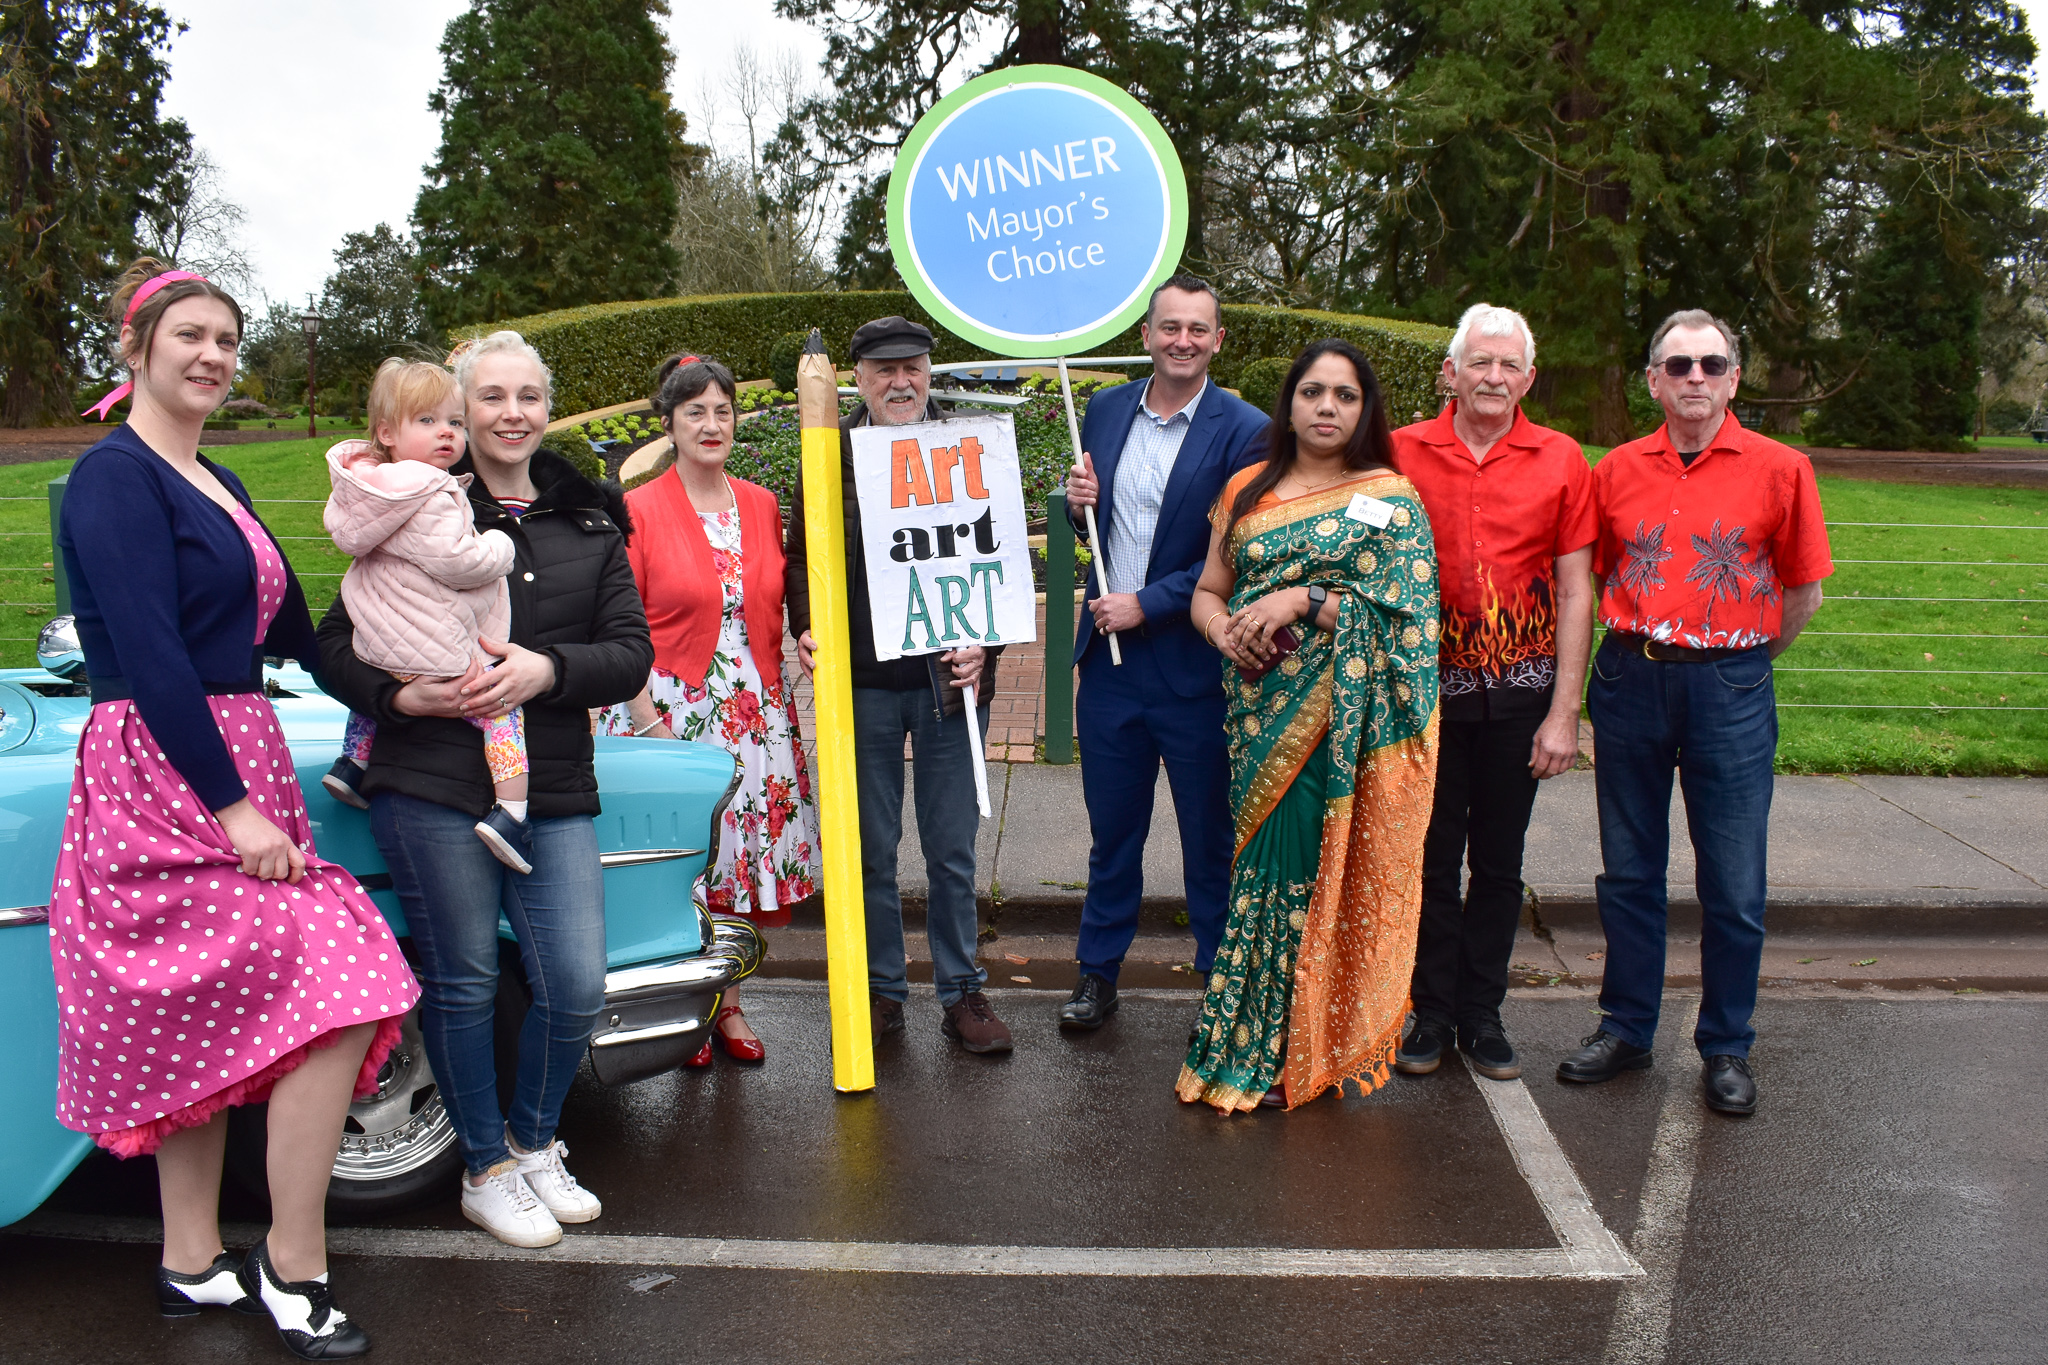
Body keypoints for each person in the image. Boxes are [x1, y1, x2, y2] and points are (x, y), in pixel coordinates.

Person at [52, 259, 419, 1358]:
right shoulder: (113, 478)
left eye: (226, 339)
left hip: (234, 755)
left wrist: (404, 695)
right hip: (164, 773)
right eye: (190, 336)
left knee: (213, 1017)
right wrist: (233, 810)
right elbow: (154, 656)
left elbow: (295, 637)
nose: (212, 355)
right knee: (342, 975)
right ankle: (292, 1266)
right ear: (137, 349)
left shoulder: (221, 478)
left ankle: (190, 1262)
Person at [315, 331, 653, 1245]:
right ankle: (486, 1166)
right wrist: (398, 694)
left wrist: (548, 670)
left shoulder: (590, 520)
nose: (511, 414)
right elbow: (333, 640)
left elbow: (631, 651)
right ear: (460, 413)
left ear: (548, 408)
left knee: (577, 984)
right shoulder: (417, 499)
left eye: (529, 397)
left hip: (549, 785)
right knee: (461, 983)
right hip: (428, 780)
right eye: (489, 398)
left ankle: (534, 1139)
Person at [1558, 309, 1832, 1117]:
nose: (1696, 379)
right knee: (1630, 871)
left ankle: (1726, 1044)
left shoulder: (1782, 468)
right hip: (1631, 679)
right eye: (1678, 366)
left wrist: (1737, 663)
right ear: (1653, 379)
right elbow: (1591, 576)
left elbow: (1803, 591)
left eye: (1712, 364)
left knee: (1734, 881)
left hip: (1731, 688)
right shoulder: (1613, 471)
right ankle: (1627, 1026)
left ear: (1734, 377)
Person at [1180, 339, 1441, 1113]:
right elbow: (1207, 590)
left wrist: (1302, 600)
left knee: (1306, 875)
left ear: (1366, 410)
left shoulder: (1392, 499)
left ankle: (1302, 1047)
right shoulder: (1247, 488)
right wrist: (1220, 629)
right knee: (1258, 877)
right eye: (1313, 392)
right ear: (1288, 402)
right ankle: (1246, 1041)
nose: (1327, 407)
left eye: (1346, 395)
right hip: (1255, 713)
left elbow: (1413, 626)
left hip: (1343, 724)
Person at [784, 316, 1011, 1054]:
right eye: (884, 370)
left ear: (930, 370)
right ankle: (880, 992)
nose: (900, 381)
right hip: (864, 688)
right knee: (870, 850)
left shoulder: (965, 450)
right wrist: (807, 624)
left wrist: (987, 644)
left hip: (946, 682)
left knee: (952, 850)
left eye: (912, 365)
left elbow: (997, 557)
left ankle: (961, 992)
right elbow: (798, 555)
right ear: (856, 378)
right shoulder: (828, 455)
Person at [1055, 274, 1271, 1032]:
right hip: (1110, 672)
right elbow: (1097, 533)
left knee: (1209, 836)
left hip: (1194, 669)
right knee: (1113, 834)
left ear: (1218, 340)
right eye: (1169, 326)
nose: (1182, 340)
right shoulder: (1108, 408)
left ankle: (1219, 983)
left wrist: (1146, 601)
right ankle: (1096, 974)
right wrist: (1077, 503)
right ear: (1146, 335)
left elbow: (1240, 549)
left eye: (1197, 329)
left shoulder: (1247, 429)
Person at [1390, 304, 1595, 1082]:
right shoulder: (1401, 450)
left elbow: (1578, 591)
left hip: (1521, 698)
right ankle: (1430, 1009)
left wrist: (1563, 712)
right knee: (1433, 858)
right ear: (1451, 370)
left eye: (1509, 365)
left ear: (1529, 378)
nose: (1494, 377)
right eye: (1480, 362)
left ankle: (1483, 1011)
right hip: (1425, 697)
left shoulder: (1562, 458)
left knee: (1499, 864)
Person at [603, 355, 818, 1065]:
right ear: (668, 423)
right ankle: (682, 1010)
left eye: (722, 410)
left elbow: (785, 596)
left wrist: (807, 635)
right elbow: (618, 625)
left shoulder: (759, 503)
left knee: (735, 868)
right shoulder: (637, 509)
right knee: (683, 866)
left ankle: (730, 1006)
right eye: (694, 411)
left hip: (754, 712)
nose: (711, 423)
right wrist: (644, 720)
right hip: (669, 713)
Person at [319, 359, 535, 872]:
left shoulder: (366, 492)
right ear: (387, 432)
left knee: (381, 682)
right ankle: (511, 812)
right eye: (427, 421)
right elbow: (457, 562)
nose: (447, 433)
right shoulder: (430, 490)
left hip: (379, 638)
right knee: (503, 713)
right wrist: (501, 546)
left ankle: (353, 762)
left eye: (455, 422)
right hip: (436, 646)